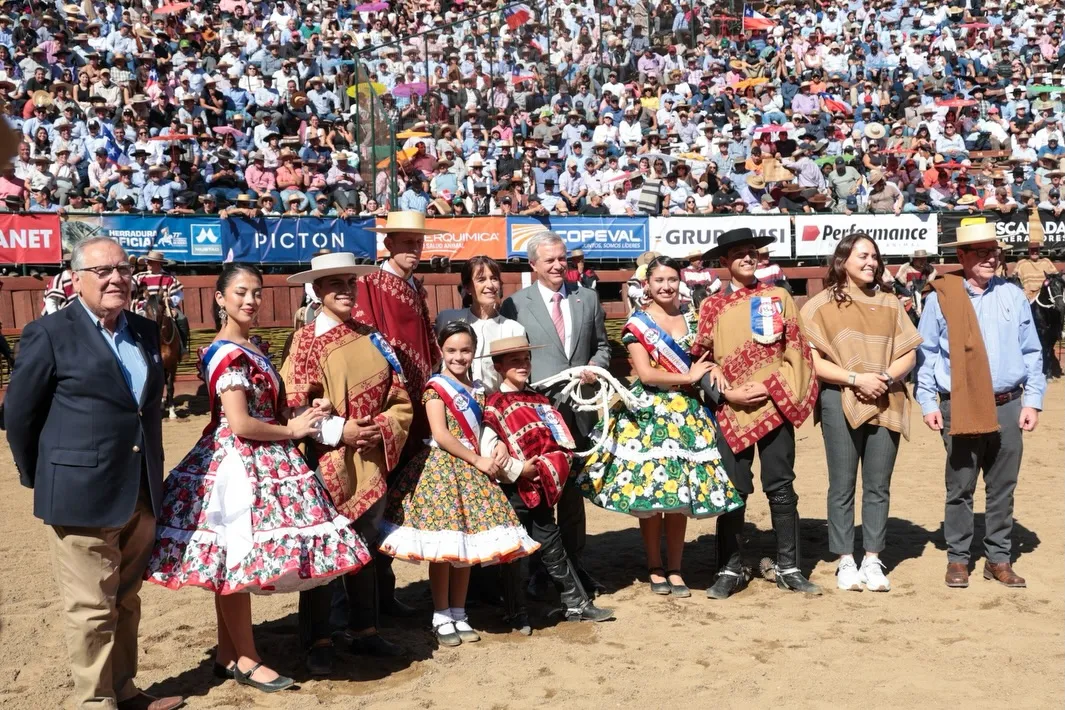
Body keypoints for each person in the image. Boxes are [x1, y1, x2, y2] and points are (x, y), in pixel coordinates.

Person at [144, 263, 370, 693]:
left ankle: (230, 653)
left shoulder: (250, 347)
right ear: (220, 298)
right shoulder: (226, 352)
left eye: (257, 293)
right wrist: (293, 431)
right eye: (241, 293)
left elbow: (264, 412)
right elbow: (241, 424)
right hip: (238, 462)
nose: (250, 301)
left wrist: (301, 415)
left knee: (231, 556)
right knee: (237, 556)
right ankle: (245, 658)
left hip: (258, 456)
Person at [5, 237, 184, 710]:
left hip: (141, 491)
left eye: (122, 269)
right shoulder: (49, 333)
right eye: (102, 271)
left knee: (125, 599)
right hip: (79, 492)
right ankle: (94, 702)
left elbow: (142, 413)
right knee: (90, 608)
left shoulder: (145, 331)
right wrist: (43, 476)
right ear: (76, 279)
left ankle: (123, 690)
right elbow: (20, 417)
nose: (115, 279)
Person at [578, 256, 745, 596]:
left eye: (672, 279)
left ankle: (676, 567)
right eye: (659, 281)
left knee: (680, 492)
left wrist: (713, 373)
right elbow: (647, 374)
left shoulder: (693, 319)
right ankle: (655, 565)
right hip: (650, 412)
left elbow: (708, 361)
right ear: (648, 285)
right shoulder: (638, 324)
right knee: (653, 493)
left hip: (687, 413)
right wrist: (689, 376)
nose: (667, 286)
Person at [281, 252, 416, 673]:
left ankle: (365, 632)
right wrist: (342, 432)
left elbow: (400, 399)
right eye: (334, 283)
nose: (345, 290)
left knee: (365, 547)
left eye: (350, 283)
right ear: (318, 290)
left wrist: (379, 426)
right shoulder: (304, 341)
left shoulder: (373, 337)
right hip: (325, 462)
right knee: (324, 550)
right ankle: (317, 640)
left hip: (371, 459)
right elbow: (292, 409)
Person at [378, 322, 539, 647]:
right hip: (443, 471)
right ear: (441, 351)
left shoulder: (478, 388)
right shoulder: (436, 388)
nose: (459, 356)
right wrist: (478, 459)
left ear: (473, 350)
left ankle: (459, 611)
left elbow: (485, 427)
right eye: (452, 350)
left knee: (463, 549)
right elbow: (441, 435)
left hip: (472, 475)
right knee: (445, 549)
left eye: (465, 350)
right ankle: (441, 613)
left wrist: (499, 446)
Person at [691, 227, 821, 599]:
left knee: (780, 484)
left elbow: (797, 351)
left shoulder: (779, 297)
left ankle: (789, 566)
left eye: (753, 252)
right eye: (739, 254)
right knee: (733, 488)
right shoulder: (711, 306)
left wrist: (767, 387)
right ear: (724, 262)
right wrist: (725, 392)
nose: (748, 258)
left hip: (774, 404)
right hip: (730, 409)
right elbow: (700, 360)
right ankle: (730, 567)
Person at [916, 221, 1045, 589]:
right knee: (960, 485)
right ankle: (958, 558)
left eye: (994, 252)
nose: (990, 259)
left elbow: (1032, 351)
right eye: (981, 252)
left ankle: (998, 557)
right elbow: (925, 353)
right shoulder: (939, 297)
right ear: (962, 256)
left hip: (1008, 402)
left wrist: (1032, 401)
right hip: (959, 401)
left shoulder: (1014, 295)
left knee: (1003, 486)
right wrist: (928, 402)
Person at [800, 234, 922, 592]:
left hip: (887, 396)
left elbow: (909, 352)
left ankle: (872, 558)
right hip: (839, 398)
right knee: (841, 483)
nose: (870, 262)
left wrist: (882, 377)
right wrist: (855, 378)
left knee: (878, 484)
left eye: (874, 256)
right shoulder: (819, 305)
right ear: (843, 261)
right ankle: (845, 560)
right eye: (862, 256)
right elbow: (813, 359)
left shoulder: (890, 303)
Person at [502, 230, 613, 598]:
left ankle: (575, 566)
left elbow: (601, 346)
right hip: (534, 418)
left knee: (572, 495)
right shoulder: (515, 305)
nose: (558, 265)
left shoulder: (589, 299)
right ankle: (539, 570)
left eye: (562, 258)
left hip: (578, 414)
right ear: (533, 265)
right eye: (549, 260)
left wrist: (594, 367)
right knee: (536, 493)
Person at [480, 335, 614, 631]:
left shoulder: (540, 401)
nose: (523, 365)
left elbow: (559, 440)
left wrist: (547, 467)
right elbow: (489, 449)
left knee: (552, 543)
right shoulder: (494, 404)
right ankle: (517, 614)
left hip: (540, 488)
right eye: (514, 361)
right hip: (512, 490)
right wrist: (519, 470)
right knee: (514, 551)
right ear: (498, 366)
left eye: (526, 359)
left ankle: (576, 603)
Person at [353, 210, 444, 617]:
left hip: (417, 406)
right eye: (405, 242)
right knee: (378, 496)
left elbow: (427, 348)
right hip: (387, 407)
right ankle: (368, 597)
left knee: (399, 498)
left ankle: (383, 592)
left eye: (417, 242)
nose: (413, 249)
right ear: (387, 244)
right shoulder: (370, 284)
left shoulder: (416, 289)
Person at [435, 255, 526, 392]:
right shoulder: (448, 319)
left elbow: (517, 378)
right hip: (452, 406)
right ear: (467, 287)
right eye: (481, 279)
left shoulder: (514, 329)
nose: (490, 285)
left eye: (494, 279)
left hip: (497, 407)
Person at [132, 250, 190, 355]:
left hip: (164, 307)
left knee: (182, 319)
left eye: (150, 262)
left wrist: (170, 299)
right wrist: (129, 272)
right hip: (144, 307)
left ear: (158, 263)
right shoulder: (139, 276)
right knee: (132, 321)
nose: (147, 264)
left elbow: (179, 294)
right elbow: (130, 286)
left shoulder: (169, 278)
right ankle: (134, 350)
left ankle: (182, 347)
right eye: (147, 261)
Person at [1014, 238, 1058, 303]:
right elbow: (1014, 280)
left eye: (1036, 250)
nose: (1034, 252)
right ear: (1029, 250)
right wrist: (1022, 291)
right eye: (1032, 250)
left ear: (1039, 250)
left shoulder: (1046, 262)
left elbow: (1056, 278)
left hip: (1045, 296)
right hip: (1027, 297)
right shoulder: (1022, 263)